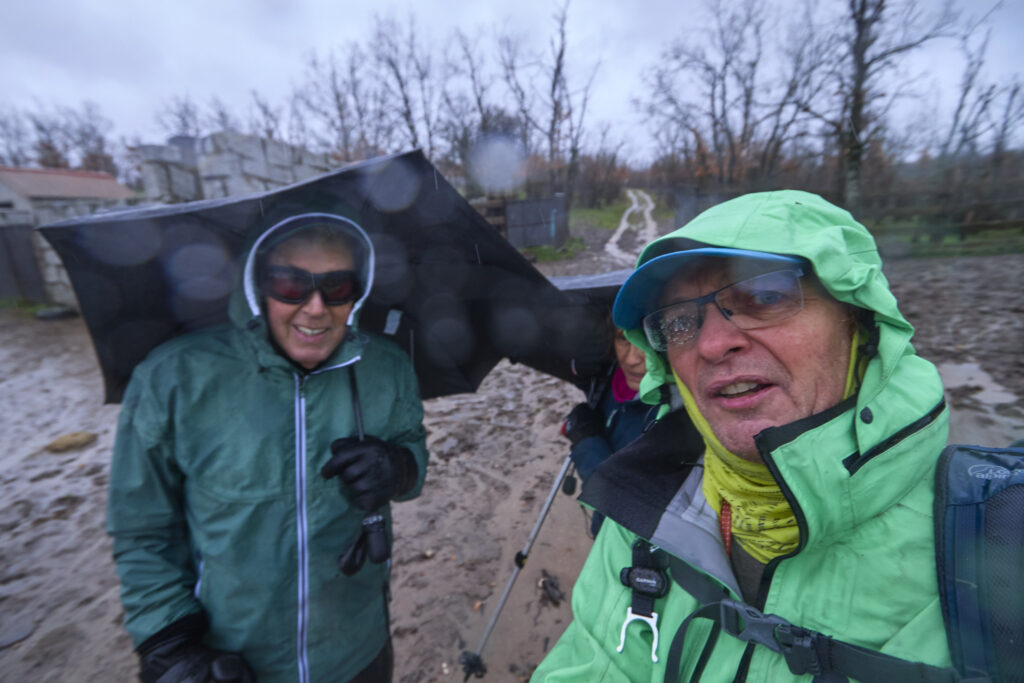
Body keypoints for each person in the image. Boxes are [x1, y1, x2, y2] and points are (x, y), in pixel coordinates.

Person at [533, 190, 953, 681]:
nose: (711, 344)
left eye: (765, 295)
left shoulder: (989, 541)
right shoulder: (642, 516)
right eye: (681, 321)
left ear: (858, 319)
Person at [107, 213, 428, 682]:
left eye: (337, 287)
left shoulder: (389, 367)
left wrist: (399, 467)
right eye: (291, 284)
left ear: (359, 290)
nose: (316, 308)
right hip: (232, 663)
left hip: (358, 651)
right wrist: (167, 642)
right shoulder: (172, 378)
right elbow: (142, 528)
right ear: (258, 285)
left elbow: (414, 454)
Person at [562, 325, 659, 536]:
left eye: (648, 340)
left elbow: (622, 508)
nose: (632, 358)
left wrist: (586, 441)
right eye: (623, 338)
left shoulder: (668, 418)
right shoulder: (609, 379)